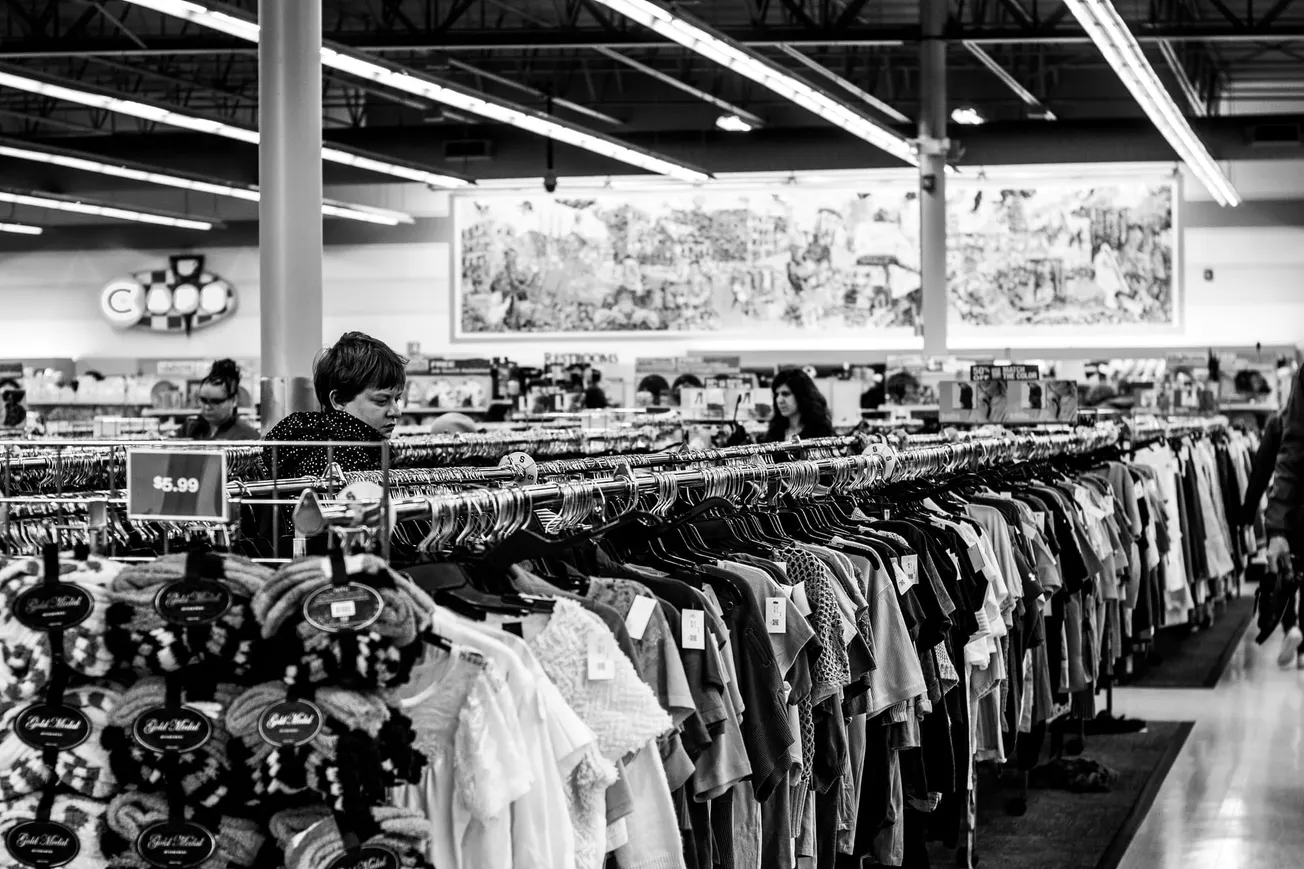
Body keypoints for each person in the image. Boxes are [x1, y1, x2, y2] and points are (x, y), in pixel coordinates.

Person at [262, 331, 407, 477]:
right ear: (338, 400)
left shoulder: (306, 437)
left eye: (397, 399)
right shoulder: (344, 459)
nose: (396, 412)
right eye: (381, 401)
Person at [179, 359, 259, 441]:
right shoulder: (189, 428)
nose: (207, 407)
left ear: (233, 400)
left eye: (216, 402)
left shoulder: (247, 436)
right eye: (203, 400)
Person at [763, 368, 834, 442]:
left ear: (801, 395)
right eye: (777, 395)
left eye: (785, 394)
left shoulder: (820, 432)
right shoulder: (774, 433)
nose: (779, 400)